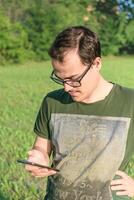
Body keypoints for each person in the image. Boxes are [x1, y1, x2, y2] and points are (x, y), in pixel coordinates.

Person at [25, 26, 134, 200]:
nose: (67, 87)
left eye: (74, 80)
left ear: (96, 64)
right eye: (60, 79)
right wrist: (39, 157)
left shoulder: (130, 102)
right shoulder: (52, 101)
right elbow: (41, 147)